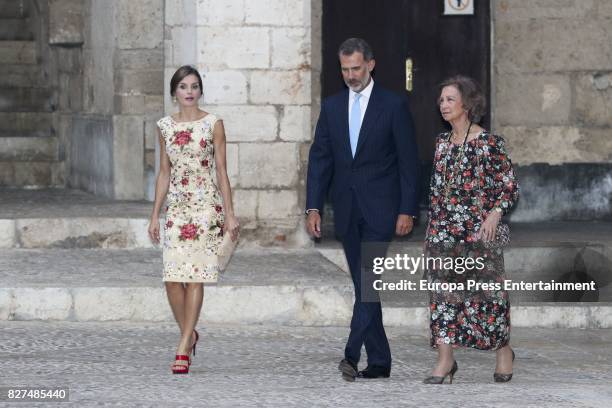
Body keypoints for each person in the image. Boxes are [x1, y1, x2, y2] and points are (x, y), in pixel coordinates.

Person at [305, 38, 420, 381]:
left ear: (371, 64)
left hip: (381, 209)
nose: (350, 75)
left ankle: (351, 355)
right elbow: (320, 159)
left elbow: (408, 162)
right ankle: (381, 361)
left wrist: (407, 209)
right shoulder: (332, 106)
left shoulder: (393, 105)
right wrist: (313, 206)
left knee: (368, 280)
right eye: (344, 69)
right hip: (345, 208)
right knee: (364, 285)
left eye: (356, 68)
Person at [423, 75, 519, 384]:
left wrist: (494, 215)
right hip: (443, 233)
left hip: (477, 234)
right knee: (442, 296)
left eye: (450, 99)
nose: (444, 105)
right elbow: (438, 192)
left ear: (467, 104)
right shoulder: (441, 143)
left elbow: (509, 187)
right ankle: (445, 359)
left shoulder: (489, 143)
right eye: (441, 100)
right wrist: (432, 231)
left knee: (488, 299)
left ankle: (503, 349)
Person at [148, 65, 239, 375]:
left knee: (195, 276)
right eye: (183, 86)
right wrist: (154, 214)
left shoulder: (213, 124)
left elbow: (222, 171)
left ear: (200, 91)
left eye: (194, 86)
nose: (189, 91)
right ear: (174, 92)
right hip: (177, 208)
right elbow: (164, 172)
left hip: (205, 209)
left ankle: (183, 345)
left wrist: (229, 213)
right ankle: (191, 332)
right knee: (172, 279)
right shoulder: (163, 126)